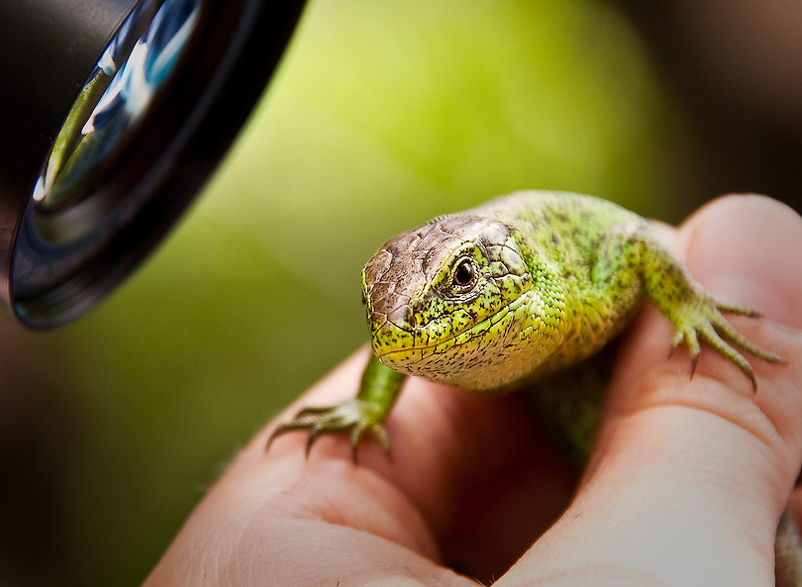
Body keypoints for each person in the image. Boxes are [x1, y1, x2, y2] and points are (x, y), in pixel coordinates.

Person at [143, 194, 802, 587]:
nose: (397, 324)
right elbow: (393, 343)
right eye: (378, 300)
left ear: (500, 265)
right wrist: (371, 406)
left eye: (461, 278)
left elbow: (635, 245)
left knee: (771, 539)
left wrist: (688, 304)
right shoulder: (407, 335)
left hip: (588, 369)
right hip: (553, 399)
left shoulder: (567, 291)